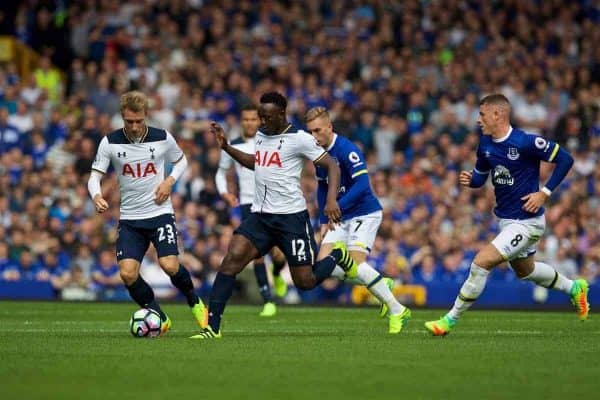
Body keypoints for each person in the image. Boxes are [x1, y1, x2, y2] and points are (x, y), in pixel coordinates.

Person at [191, 92, 355, 339]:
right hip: (261, 217)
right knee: (230, 261)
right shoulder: (261, 135)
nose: (262, 121)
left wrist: (331, 200)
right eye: (260, 117)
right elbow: (258, 163)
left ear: (281, 114)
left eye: (267, 117)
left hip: (291, 219)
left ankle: (337, 255)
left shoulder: (299, 139)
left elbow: (332, 165)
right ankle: (212, 328)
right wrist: (227, 147)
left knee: (305, 282)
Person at [425, 94, 589, 336]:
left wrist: (544, 193)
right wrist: (472, 180)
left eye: (482, 114)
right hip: (506, 221)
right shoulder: (486, 144)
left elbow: (566, 159)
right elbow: (482, 176)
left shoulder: (525, 142)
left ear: (497, 114)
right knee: (526, 271)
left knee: (481, 263)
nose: (478, 120)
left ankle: (449, 320)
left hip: (527, 222)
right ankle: (575, 287)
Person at [87, 90, 206, 335]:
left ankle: (195, 302)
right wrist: (96, 195)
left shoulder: (162, 138)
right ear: (122, 117)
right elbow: (94, 177)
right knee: (127, 274)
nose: (134, 126)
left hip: (160, 213)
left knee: (170, 265)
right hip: (130, 219)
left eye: (139, 121)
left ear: (146, 116)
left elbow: (182, 161)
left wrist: (169, 181)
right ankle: (159, 317)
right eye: (129, 121)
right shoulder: (110, 142)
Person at [305, 107, 411, 334]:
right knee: (325, 266)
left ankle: (397, 309)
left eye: (317, 130)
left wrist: (336, 206)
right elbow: (323, 186)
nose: (314, 136)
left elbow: (363, 185)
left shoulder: (347, 149)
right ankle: (381, 283)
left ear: (329, 127)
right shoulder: (318, 154)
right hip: (339, 217)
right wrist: (324, 219)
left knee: (357, 264)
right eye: (310, 132)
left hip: (364, 213)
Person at [215, 103, 288, 317]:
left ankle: (276, 272)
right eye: (245, 119)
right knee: (256, 254)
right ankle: (268, 300)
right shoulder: (232, 145)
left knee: (278, 255)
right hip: (249, 204)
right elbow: (221, 172)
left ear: (260, 120)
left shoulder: (269, 142)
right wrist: (225, 193)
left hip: (273, 204)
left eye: (253, 119)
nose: (249, 123)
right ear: (241, 121)